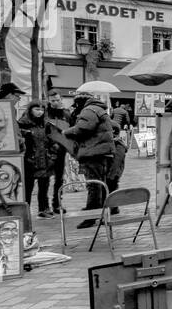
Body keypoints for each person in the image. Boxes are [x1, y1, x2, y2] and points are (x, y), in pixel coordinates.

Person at [65, 92, 114, 224]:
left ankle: (91, 216)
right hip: (102, 152)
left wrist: (65, 132)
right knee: (100, 185)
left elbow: (83, 128)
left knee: (94, 186)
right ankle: (102, 214)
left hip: (93, 153)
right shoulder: (98, 109)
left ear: (81, 102)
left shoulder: (89, 110)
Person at [19, 100, 54, 217]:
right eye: (37, 109)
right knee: (28, 188)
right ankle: (25, 210)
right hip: (29, 159)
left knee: (44, 186)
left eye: (42, 110)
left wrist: (52, 154)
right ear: (30, 110)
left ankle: (43, 209)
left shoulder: (45, 124)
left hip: (44, 159)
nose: (40, 112)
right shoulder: (22, 123)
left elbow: (51, 141)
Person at [45, 89, 69, 214]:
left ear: (61, 100)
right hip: (47, 150)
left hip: (62, 150)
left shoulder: (66, 113)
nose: (55, 102)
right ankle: (44, 206)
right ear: (48, 100)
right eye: (52, 100)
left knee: (59, 178)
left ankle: (57, 204)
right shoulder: (44, 113)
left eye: (57, 100)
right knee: (45, 179)